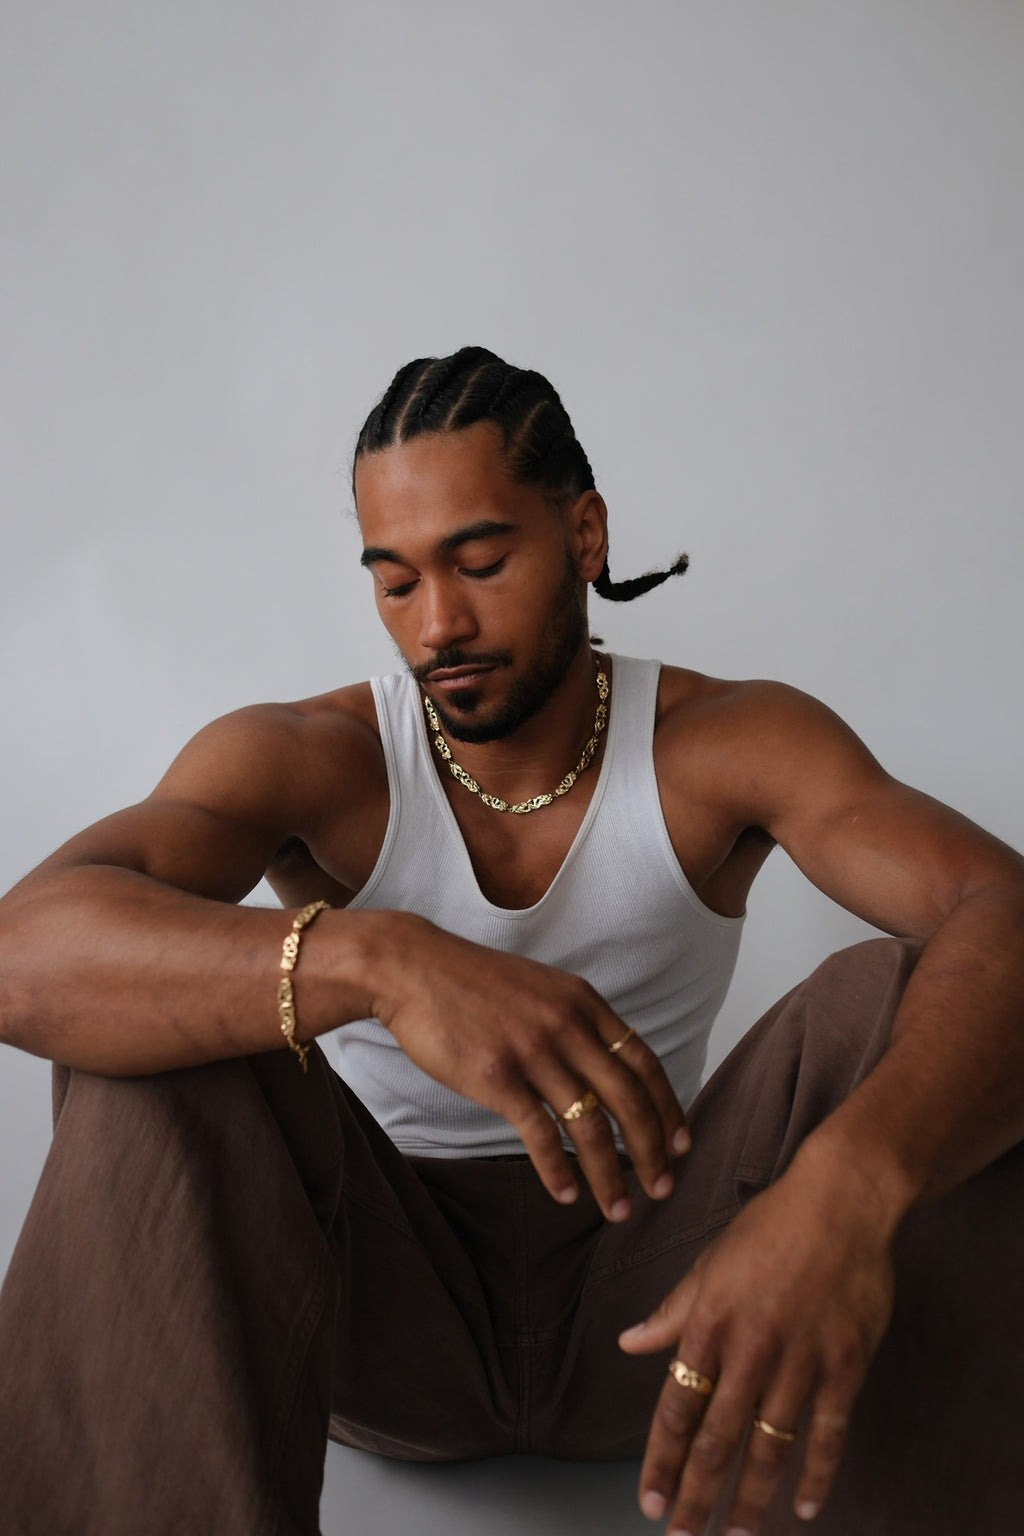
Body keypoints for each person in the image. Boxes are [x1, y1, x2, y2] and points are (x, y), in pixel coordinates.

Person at [0, 345, 1022, 1536]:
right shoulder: (314, 756)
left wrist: (851, 1188)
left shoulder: (725, 740)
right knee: (159, 1027)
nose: (438, 625)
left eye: (481, 564)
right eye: (395, 583)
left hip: (675, 1292)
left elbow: (1001, 912)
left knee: (923, 998)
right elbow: (24, 953)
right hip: (378, 1307)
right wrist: (380, 961)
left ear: (583, 536)